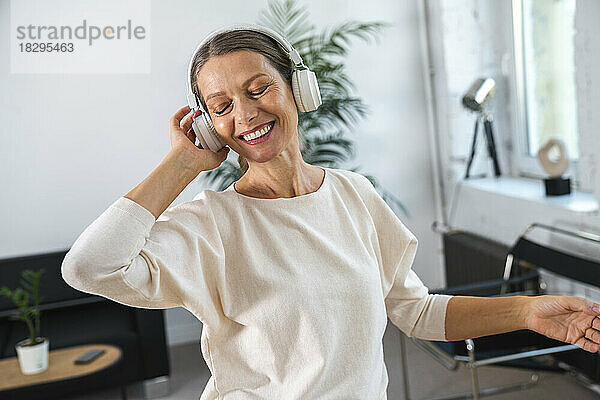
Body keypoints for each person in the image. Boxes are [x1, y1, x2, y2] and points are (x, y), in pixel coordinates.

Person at [61, 25, 600, 400]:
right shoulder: (211, 224)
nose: (246, 114)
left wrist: (527, 313)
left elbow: (414, 311)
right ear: (207, 125)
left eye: (258, 89)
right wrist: (182, 163)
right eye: (221, 106)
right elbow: (88, 268)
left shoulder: (354, 195)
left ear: (299, 90)